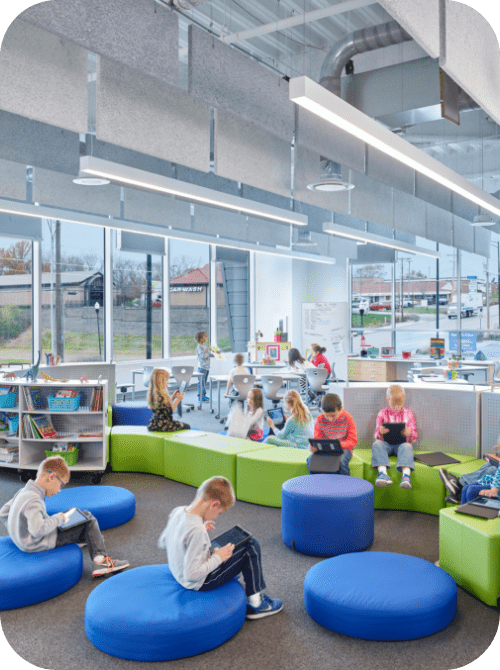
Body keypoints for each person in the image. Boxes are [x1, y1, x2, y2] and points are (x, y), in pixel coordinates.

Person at [158, 476, 283, 620]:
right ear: (214, 504)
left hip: (177, 573)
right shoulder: (197, 531)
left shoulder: (178, 511)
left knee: (230, 547)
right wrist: (217, 558)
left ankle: (232, 567)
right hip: (199, 582)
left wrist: (200, 530)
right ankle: (257, 604)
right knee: (251, 545)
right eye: (220, 512)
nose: (217, 516)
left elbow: (163, 542)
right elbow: (191, 575)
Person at [0, 456, 129, 577]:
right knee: (88, 519)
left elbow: (4, 512)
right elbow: (37, 530)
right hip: (37, 543)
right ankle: (100, 561)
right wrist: (57, 519)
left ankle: (89, 538)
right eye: (61, 484)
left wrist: (17, 531)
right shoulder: (34, 500)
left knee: (77, 515)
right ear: (51, 477)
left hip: (24, 542)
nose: (59, 490)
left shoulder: (24, 491)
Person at [372, 385, 417, 490]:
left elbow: (414, 437)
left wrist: (409, 433)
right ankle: (382, 474)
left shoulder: (409, 414)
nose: (397, 408)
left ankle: (406, 476)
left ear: (404, 399)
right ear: (388, 400)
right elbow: (376, 435)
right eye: (394, 405)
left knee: (407, 446)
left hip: (402, 445)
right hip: (386, 445)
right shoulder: (382, 413)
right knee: (377, 444)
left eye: (399, 405)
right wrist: (380, 432)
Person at [307, 393, 357, 475]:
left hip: (343, 449)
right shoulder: (320, 419)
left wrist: (338, 445)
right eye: (327, 416)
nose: (330, 419)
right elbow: (318, 438)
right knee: (311, 460)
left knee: (341, 462)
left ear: (341, 409)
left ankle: (345, 483)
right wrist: (314, 447)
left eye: (333, 416)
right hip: (325, 449)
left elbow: (352, 441)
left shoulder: (348, 418)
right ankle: (318, 481)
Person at [147, 367, 191, 432]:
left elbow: (165, 406)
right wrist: (178, 400)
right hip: (164, 425)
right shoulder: (160, 396)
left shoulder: (155, 394)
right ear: (160, 381)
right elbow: (169, 411)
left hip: (154, 424)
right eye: (166, 380)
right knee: (187, 426)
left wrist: (173, 397)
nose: (168, 382)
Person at [195, 331, 212, 402]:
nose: (206, 337)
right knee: (201, 383)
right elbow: (203, 356)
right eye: (205, 336)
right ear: (201, 338)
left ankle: (204, 396)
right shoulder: (199, 347)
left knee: (204, 383)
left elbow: (208, 354)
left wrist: (215, 353)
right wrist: (208, 351)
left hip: (206, 367)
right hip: (202, 367)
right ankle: (200, 397)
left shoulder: (204, 346)